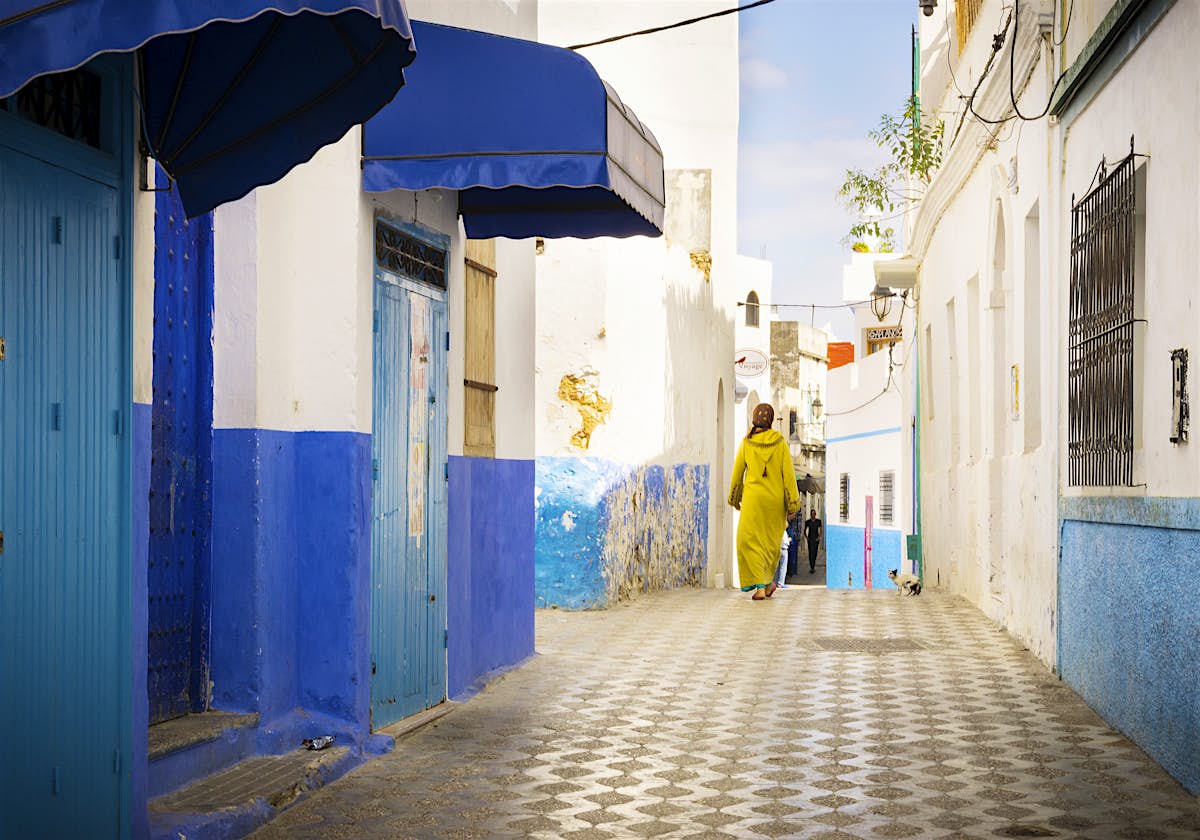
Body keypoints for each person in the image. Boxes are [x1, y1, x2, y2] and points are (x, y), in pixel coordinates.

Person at [728, 403, 801, 600]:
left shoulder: (746, 442)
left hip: (752, 501)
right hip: (775, 503)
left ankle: (760, 587)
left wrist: (735, 498)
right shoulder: (780, 442)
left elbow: (737, 474)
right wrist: (792, 505)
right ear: (770, 420)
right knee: (770, 543)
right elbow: (789, 476)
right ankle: (768, 584)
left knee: (748, 542)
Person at [803, 509, 822, 574]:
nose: (813, 515)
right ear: (810, 514)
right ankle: (812, 567)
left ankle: (813, 565)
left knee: (815, 553)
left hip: (816, 539)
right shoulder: (807, 522)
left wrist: (819, 537)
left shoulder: (818, 521)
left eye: (814, 513)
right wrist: (807, 538)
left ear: (815, 514)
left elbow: (821, 530)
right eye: (812, 513)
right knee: (811, 553)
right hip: (810, 540)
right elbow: (804, 531)